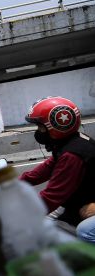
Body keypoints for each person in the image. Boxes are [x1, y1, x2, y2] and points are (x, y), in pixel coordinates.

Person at [20, 96, 95, 242]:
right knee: (44, 226)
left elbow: (51, 197)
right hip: (82, 203)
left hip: (89, 206)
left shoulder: (72, 154)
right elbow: (39, 173)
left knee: (85, 231)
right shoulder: (69, 143)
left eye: (41, 127)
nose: (38, 131)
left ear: (57, 125)